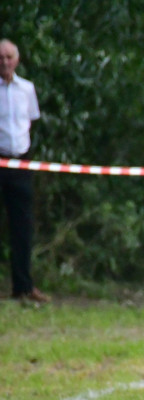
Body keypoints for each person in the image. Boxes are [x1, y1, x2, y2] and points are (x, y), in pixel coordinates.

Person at [0, 38, 48, 305]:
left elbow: (30, 122)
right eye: (0, 58)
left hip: (21, 163)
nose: (5, 62)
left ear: (16, 60)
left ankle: (23, 287)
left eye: (9, 57)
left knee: (22, 228)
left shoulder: (27, 89)